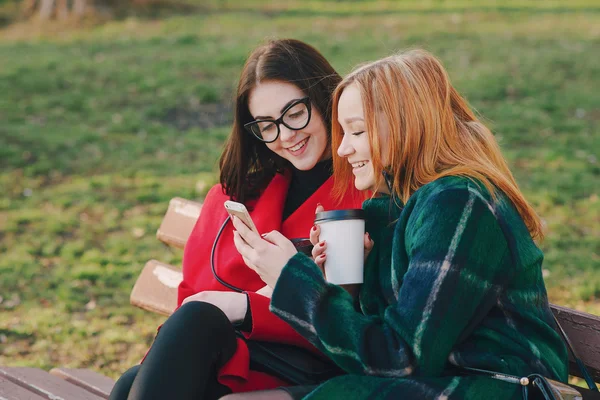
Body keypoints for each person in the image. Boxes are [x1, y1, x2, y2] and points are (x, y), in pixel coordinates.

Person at [228, 49, 568, 399]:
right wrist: (346, 284)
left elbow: (400, 358)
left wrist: (292, 281)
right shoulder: (395, 208)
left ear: (407, 125)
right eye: (342, 132)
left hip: (500, 388)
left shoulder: (459, 202)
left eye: (356, 132)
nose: (343, 149)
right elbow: (386, 342)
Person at [109, 39, 362, 400]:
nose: (286, 136)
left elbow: (353, 318)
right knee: (127, 384)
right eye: (266, 125)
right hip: (233, 358)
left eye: (294, 113)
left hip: (309, 363)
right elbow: (194, 297)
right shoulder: (235, 195)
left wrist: (244, 306)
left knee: (188, 330)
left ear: (323, 99)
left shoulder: (362, 191)